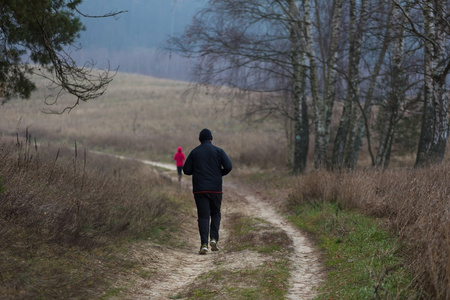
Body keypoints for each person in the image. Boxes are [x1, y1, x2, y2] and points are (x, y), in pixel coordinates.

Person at [183, 128, 232, 255]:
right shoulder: (219, 151)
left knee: (203, 216)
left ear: (200, 139)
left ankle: (204, 244)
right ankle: (214, 239)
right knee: (216, 213)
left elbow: (186, 170)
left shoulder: (195, 152)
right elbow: (228, 166)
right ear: (211, 139)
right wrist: (219, 174)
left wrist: (198, 170)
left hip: (200, 190)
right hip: (216, 189)